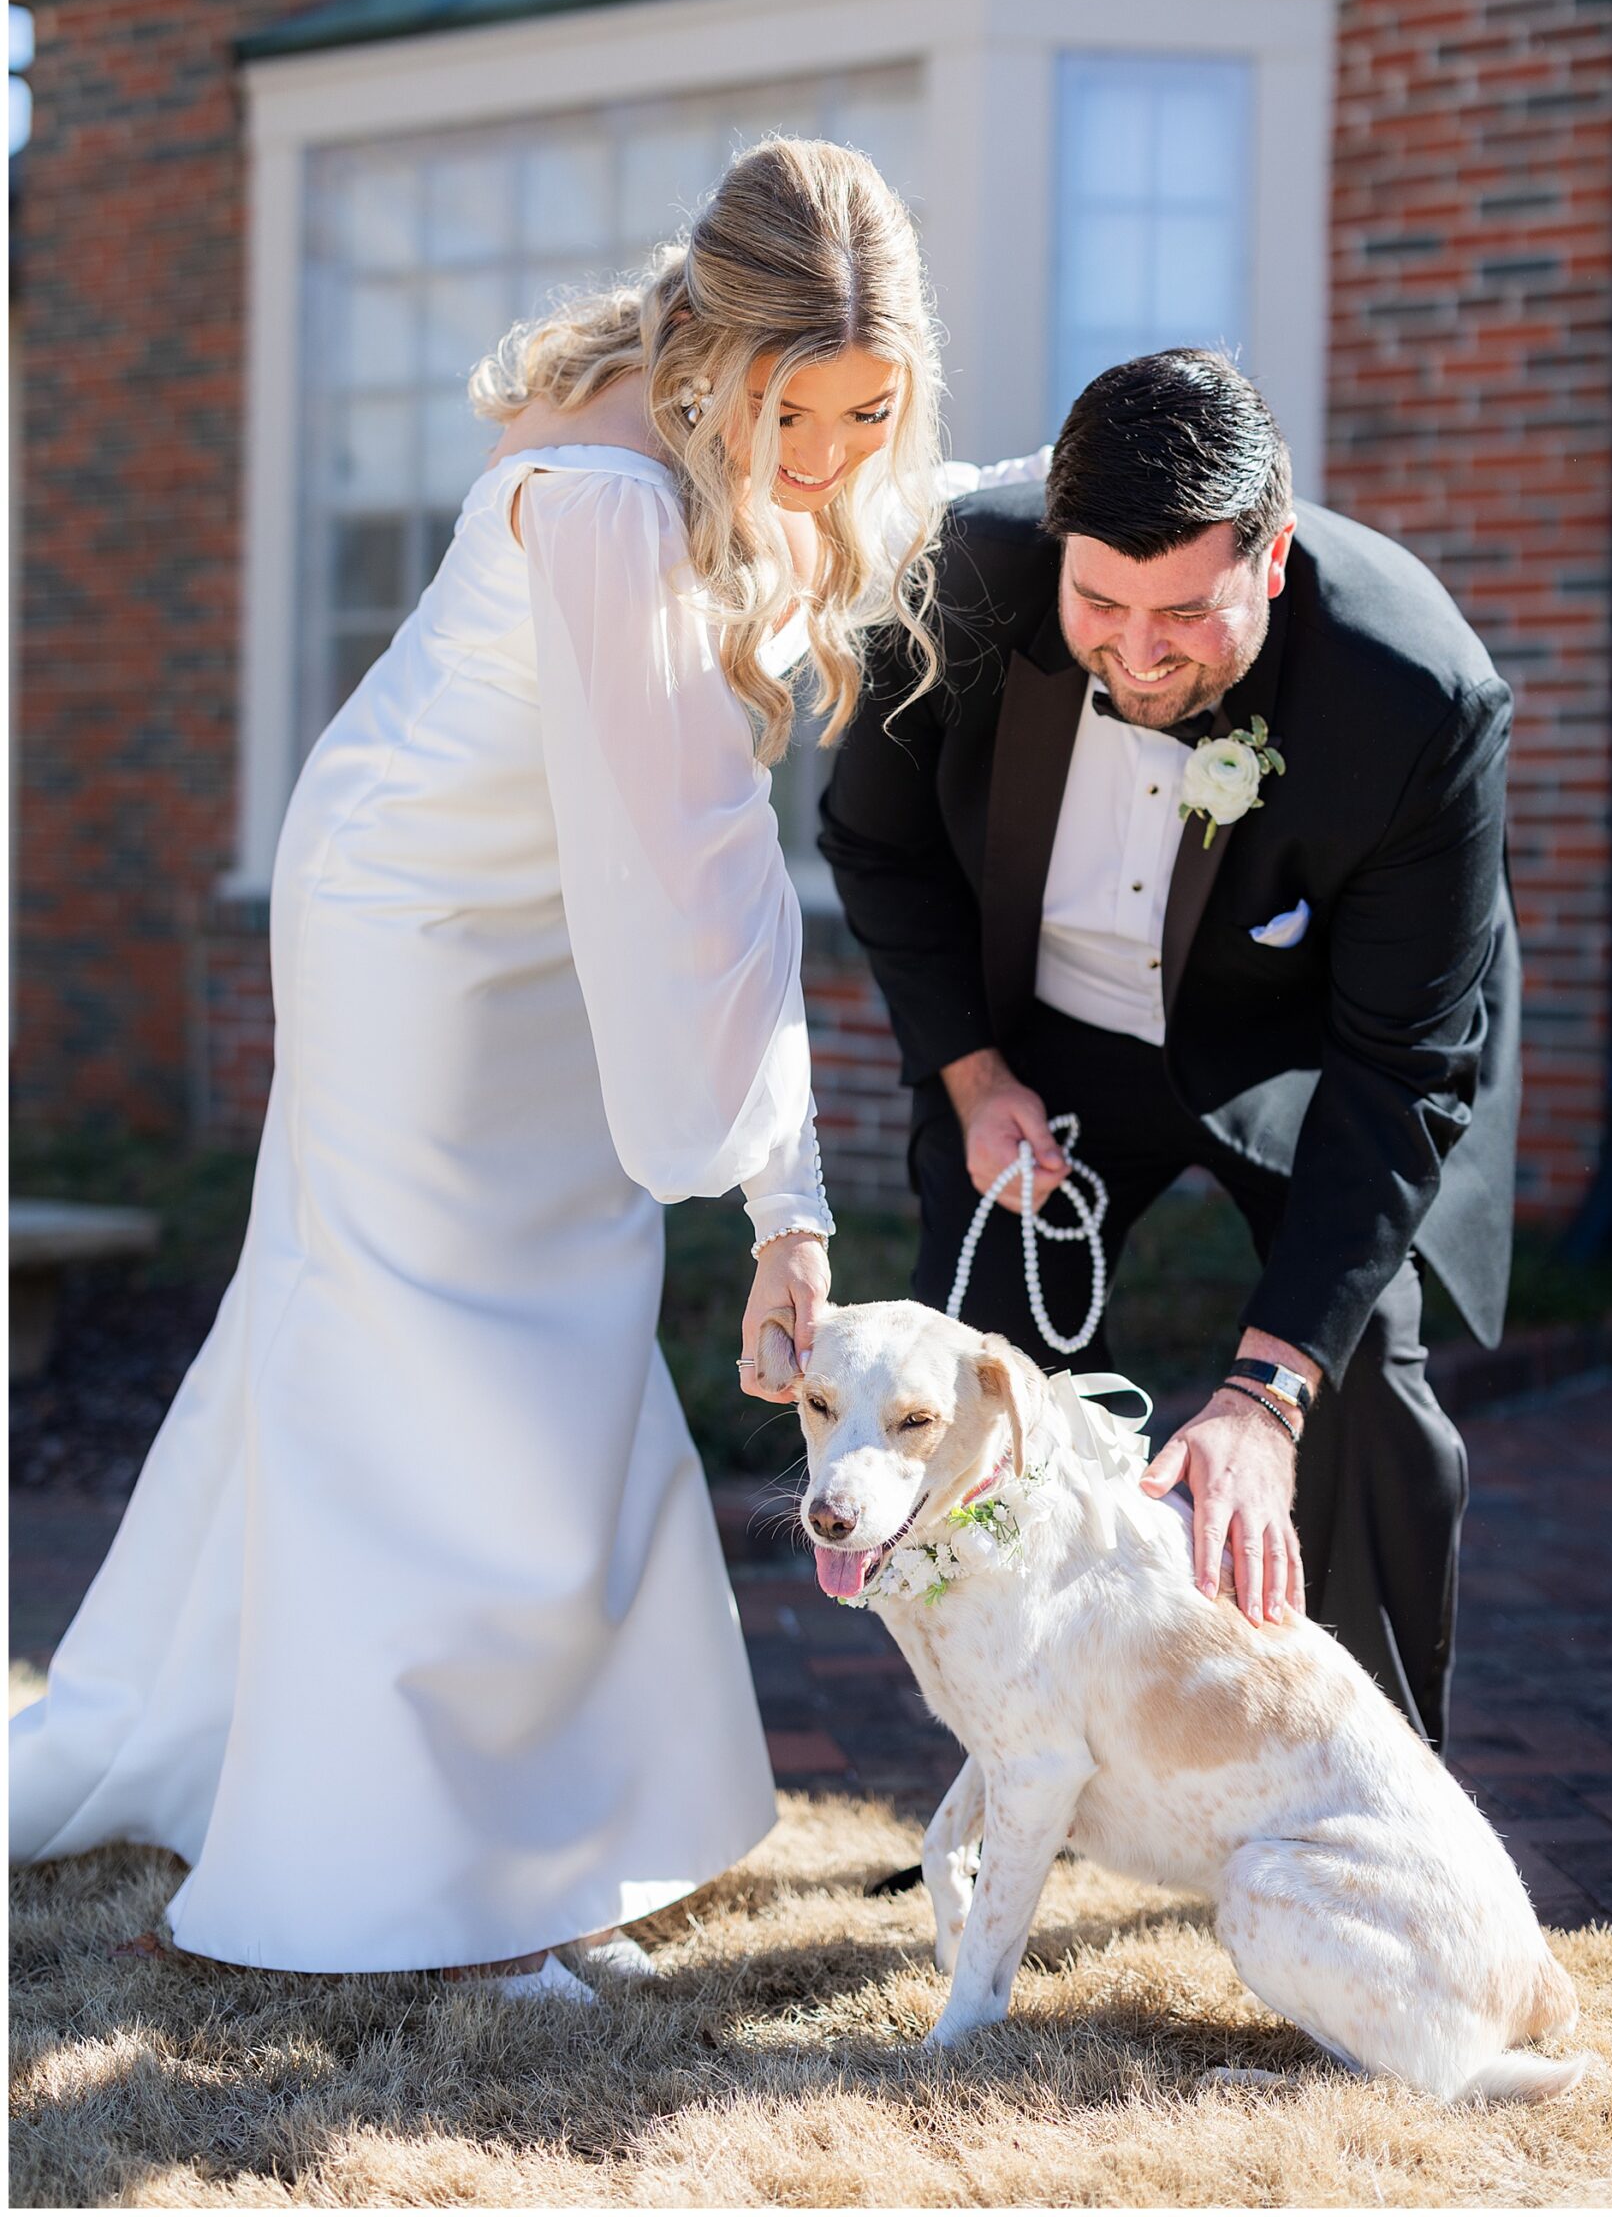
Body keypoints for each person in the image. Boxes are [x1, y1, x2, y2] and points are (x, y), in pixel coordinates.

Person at [10, 136, 974, 1987]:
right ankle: (428, 1882)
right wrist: (791, 1205)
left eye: (872, 414)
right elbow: (700, 869)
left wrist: (779, 1200)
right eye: (804, 414)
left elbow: (689, 861)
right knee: (451, 1371)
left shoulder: (723, 439)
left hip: (561, 898)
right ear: (718, 355)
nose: (836, 461)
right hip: (427, 930)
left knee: (574, 1334)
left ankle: (542, 1839)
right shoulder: (616, 496)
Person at [820, 349, 1520, 1755]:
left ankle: (1362, 1791)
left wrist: (1264, 1393)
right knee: (965, 1373)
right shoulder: (955, 581)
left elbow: (1406, 1068)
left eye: (1188, 614)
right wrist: (971, 1076)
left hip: (1308, 1055)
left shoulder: (1417, 698)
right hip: (1038, 1050)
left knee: (1360, 1380)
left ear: (1274, 556)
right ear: (1056, 552)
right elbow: (876, 843)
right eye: (1100, 603)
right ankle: (1009, 1764)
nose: (1140, 655)